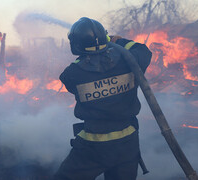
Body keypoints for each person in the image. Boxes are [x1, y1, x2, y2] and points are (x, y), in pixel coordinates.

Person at [54, 17, 152, 180]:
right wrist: (119, 42)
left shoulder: (72, 74)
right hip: (127, 144)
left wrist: (90, 53)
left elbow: (79, 67)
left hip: (93, 147)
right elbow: (143, 50)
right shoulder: (130, 61)